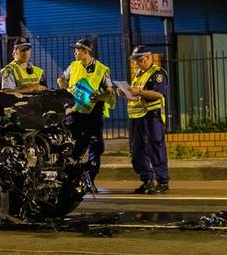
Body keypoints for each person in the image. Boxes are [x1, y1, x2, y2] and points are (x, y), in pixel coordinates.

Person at [57, 39, 114, 190]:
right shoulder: (73, 66)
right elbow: (60, 79)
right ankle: (71, 178)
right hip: (75, 112)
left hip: (93, 114)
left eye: (77, 50)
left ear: (86, 52)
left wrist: (99, 97)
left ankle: (90, 179)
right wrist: (67, 87)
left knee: (96, 147)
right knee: (72, 145)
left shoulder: (101, 69)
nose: (74, 52)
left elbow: (109, 90)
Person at [121, 45, 170, 194]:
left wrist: (139, 92)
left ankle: (162, 181)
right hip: (137, 117)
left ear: (149, 57)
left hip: (151, 116)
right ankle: (148, 180)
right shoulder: (138, 73)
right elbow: (136, 94)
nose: (137, 63)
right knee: (137, 153)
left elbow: (159, 94)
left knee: (155, 149)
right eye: (135, 60)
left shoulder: (157, 73)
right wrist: (126, 92)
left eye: (140, 60)